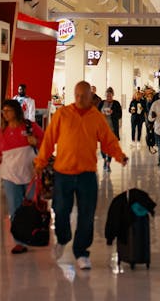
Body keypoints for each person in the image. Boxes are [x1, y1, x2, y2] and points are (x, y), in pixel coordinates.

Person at [33, 81, 127, 270]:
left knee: (86, 215)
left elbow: (108, 140)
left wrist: (119, 155)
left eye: (83, 96)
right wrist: (40, 162)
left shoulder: (96, 117)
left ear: (90, 97)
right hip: (63, 173)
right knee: (60, 210)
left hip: (87, 175)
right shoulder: (63, 114)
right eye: (77, 95)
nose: (79, 99)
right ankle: (63, 239)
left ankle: (81, 252)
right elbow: (49, 139)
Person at [0, 99, 44, 254]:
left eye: (8, 110)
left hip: (31, 176)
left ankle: (30, 236)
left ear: (16, 111)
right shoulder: (2, 133)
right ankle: (19, 242)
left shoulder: (30, 127)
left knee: (30, 209)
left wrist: (35, 142)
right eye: (3, 111)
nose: (5, 114)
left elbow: (46, 143)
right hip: (10, 178)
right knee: (15, 210)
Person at [100, 88, 123, 172]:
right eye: (107, 96)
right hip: (102, 129)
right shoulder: (102, 103)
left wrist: (112, 112)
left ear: (113, 95)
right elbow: (96, 113)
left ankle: (108, 164)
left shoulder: (116, 103)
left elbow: (120, 115)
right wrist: (102, 113)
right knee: (103, 148)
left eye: (110, 96)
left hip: (112, 130)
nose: (108, 97)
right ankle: (105, 160)